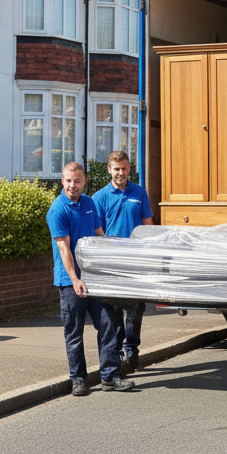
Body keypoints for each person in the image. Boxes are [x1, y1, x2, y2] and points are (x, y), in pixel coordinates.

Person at [47, 161, 133, 396]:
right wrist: (75, 280)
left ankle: (109, 376)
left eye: (76, 181)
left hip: (94, 279)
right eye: (67, 181)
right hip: (70, 282)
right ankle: (78, 379)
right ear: (62, 181)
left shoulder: (89, 203)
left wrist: (109, 265)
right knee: (74, 332)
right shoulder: (57, 210)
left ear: (84, 181)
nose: (72, 185)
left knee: (107, 326)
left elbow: (99, 236)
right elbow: (64, 249)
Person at [91, 150, 154, 371]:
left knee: (136, 307)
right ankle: (116, 350)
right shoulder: (99, 197)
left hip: (136, 260)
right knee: (113, 308)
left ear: (129, 168)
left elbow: (148, 225)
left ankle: (132, 348)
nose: (121, 173)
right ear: (109, 169)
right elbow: (96, 230)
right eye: (116, 169)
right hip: (112, 261)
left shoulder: (139, 192)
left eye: (124, 168)